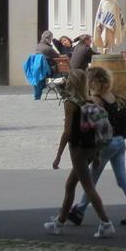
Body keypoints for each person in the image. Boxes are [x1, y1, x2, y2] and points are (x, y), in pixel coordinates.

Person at [43, 69, 114, 238]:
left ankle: (106, 223)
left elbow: (67, 132)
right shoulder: (89, 100)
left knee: (88, 187)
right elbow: (94, 128)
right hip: (90, 147)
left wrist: (58, 155)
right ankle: (59, 222)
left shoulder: (71, 103)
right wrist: (96, 155)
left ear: (72, 83)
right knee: (70, 185)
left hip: (77, 149)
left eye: (68, 80)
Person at [68, 67, 126, 228]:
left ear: (93, 82)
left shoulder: (96, 99)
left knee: (91, 179)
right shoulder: (111, 96)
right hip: (120, 141)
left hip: (106, 143)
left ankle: (79, 210)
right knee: (122, 179)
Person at [27, 31, 60, 99]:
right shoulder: (48, 48)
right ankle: (64, 93)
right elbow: (58, 56)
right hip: (47, 72)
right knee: (62, 74)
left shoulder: (38, 46)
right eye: (51, 39)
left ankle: (37, 95)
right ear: (48, 39)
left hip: (39, 72)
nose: (51, 41)